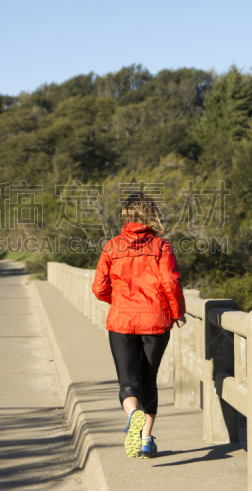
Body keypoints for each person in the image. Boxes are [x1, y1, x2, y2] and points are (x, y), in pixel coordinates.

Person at [91, 192, 186, 459]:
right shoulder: (161, 246)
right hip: (156, 323)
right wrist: (178, 312)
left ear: (125, 216)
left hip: (121, 322)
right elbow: (171, 283)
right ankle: (146, 440)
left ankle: (133, 414)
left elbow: (99, 288)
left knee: (128, 382)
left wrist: (120, 302)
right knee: (148, 380)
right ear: (151, 216)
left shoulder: (112, 247)